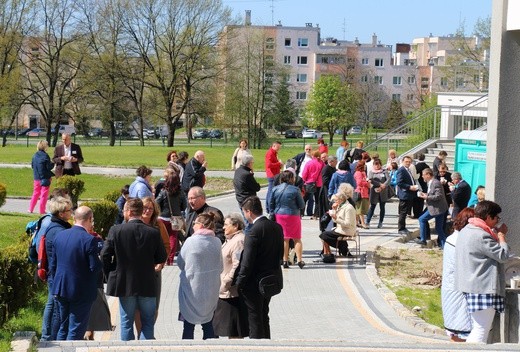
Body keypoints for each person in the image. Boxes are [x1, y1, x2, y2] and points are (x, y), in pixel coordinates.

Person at [101, 198, 167, 341]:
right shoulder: (153, 232)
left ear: (129, 212)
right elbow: (162, 256)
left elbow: (104, 255)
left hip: (125, 283)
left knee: (126, 322)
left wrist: (111, 273)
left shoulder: (116, 230)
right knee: (148, 322)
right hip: (148, 283)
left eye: (124, 210)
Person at [455, 200, 510, 343]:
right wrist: (501, 237)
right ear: (488, 217)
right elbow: (503, 256)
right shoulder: (481, 235)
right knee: (481, 329)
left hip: (472, 285)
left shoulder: (467, 230)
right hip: (482, 287)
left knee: (479, 328)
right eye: (497, 217)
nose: (498, 220)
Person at [50, 206, 102, 340]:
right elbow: (94, 267)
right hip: (81, 290)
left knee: (64, 327)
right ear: (90, 219)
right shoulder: (89, 240)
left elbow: (53, 265)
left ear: (74, 218)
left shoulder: (60, 235)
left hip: (61, 287)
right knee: (76, 329)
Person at [236, 196, 284, 339]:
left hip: (254, 283)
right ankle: (267, 344)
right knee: (264, 314)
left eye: (244, 212)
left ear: (249, 212)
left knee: (254, 317)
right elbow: (280, 253)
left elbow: (247, 261)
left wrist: (239, 282)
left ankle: (257, 345)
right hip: (271, 279)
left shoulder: (253, 232)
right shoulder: (276, 227)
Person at [178, 212, 223, 339]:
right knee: (209, 325)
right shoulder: (217, 242)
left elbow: (181, 263)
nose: (192, 226)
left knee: (188, 325)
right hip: (211, 290)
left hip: (191, 289)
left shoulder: (190, 241)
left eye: (194, 223)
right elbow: (221, 266)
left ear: (201, 225)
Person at [135, 197, 171, 334]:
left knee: (154, 305)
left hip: (154, 271)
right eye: (145, 208)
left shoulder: (158, 224)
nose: (147, 211)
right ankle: (140, 334)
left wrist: (161, 263)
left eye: (150, 208)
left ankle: (148, 331)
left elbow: (167, 245)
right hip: (137, 272)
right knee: (138, 306)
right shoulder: (132, 223)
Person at [40, 196, 73, 341]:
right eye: (69, 210)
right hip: (57, 275)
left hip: (54, 274)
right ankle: (50, 339)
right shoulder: (59, 231)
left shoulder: (55, 227)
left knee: (52, 305)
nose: (71, 212)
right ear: (61, 214)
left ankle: (48, 337)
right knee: (56, 311)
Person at [441, 208, 474, 342]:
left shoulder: (451, 238)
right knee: (462, 330)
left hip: (450, 287)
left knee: (454, 331)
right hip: (460, 289)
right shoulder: (462, 241)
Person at [213, 213, 248, 338]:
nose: (223, 228)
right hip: (225, 291)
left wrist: (226, 283)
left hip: (231, 293)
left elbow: (237, 265)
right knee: (230, 331)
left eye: (226, 225)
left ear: (236, 226)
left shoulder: (239, 241)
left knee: (234, 331)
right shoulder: (231, 239)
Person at [270, 170, 305, 269]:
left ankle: (285, 260)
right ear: (291, 178)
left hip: (280, 215)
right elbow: (302, 205)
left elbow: (271, 204)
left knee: (284, 238)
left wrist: (273, 212)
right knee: (296, 238)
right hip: (293, 215)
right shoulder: (295, 190)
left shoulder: (275, 189)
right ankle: (299, 260)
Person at [155, 168, 187, 264]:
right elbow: (184, 206)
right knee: (173, 238)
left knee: (163, 238)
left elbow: (156, 202)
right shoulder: (180, 192)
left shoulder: (164, 191)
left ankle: (163, 258)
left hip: (163, 217)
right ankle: (170, 259)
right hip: (176, 218)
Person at [319, 186, 356, 257]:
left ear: (341, 200)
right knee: (324, 234)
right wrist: (334, 210)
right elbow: (334, 220)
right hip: (341, 229)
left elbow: (347, 224)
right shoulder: (341, 206)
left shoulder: (349, 208)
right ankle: (328, 253)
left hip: (347, 230)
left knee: (324, 235)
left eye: (336, 200)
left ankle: (328, 253)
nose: (335, 202)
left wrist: (336, 218)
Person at [416, 168, 449, 248]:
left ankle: (423, 240)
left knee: (422, 219)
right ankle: (444, 246)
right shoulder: (431, 182)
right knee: (439, 228)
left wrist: (427, 197)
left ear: (428, 175)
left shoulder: (435, 183)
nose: (422, 177)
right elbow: (433, 193)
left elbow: (438, 196)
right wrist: (424, 194)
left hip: (437, 208)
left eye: (423, 175)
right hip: (440, 208)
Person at [233, 154, 261, 233]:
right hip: (248, 201)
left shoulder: (238, 171)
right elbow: (257, 187)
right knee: (250, 223)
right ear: (250, 163)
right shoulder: (247, 174)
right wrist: (252, 174)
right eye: (252, 163)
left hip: (240, 199)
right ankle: (247, 240)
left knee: (247, 221)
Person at [29, 140, 55, 214]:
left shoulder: (34, 155)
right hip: (45, 178)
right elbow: (49, 167)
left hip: (36, 178)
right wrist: (53, 162)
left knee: (35, 193)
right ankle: (42, 210)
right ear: (45, 147)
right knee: (44, 195)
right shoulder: (45, 156)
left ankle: (30, 209)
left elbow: (32, 166)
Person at [396, 155, 419, 234]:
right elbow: (399, 182)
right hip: (405, 194)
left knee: (405, 212)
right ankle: (401, 228)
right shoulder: (401, 170)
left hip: (409, 194)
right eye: (406, 162)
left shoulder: (408, 170)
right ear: (403, 162)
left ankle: (403, 227)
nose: (408, 163)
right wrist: (409, 187)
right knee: (403, 212)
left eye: (409, 162)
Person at [366, 159, 391, 229]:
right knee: (372, 207)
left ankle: (380, 222)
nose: (377, 166)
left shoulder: (384, 171)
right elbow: (371, 180)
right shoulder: (371, 172)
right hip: (374, 191)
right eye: (375, 164)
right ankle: (368, 221)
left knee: (382, 207)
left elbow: (388, 179)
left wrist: (384, 185)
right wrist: (380, 184)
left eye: (378, 164)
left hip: (383, 191)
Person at [301, 150, 324, 218]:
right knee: (317, 200)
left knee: (305, 199)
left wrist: (305, 180)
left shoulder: (309, 163)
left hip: (309, 183)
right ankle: (316, 214)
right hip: (319, 184)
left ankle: (301, 213)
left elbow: (304, 174)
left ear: (312, 155)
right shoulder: (322, 163)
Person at [264, 141, 283, 211]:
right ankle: (269, 207)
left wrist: (279, 165)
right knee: (271, 192)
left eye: (279, 148)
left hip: (275, 174)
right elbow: (269, 165)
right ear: (273, 146)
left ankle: (268, 207)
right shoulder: (270, 153)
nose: (278, 149)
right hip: (272, 175)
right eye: (278, 147)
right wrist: (278, 163)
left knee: (271, 191)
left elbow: (274, 163)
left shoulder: (274, 153)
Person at [412, 152, 430, 218]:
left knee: (416, 200)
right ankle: (420, 212)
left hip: (417, 184)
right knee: (422, 200)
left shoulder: (416, 167)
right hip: (424, 184)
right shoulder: (427, 166)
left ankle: (416, 214)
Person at [353, 161, 370, 229]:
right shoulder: (358, 173)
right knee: (360, 209)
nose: (365, 166)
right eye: (364, 165)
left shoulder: (362, 173)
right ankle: (363, 223)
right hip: (360, 192)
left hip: (363, 191)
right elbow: (359, 182)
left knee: (358, 209)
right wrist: (367, 183)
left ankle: (356, 222)